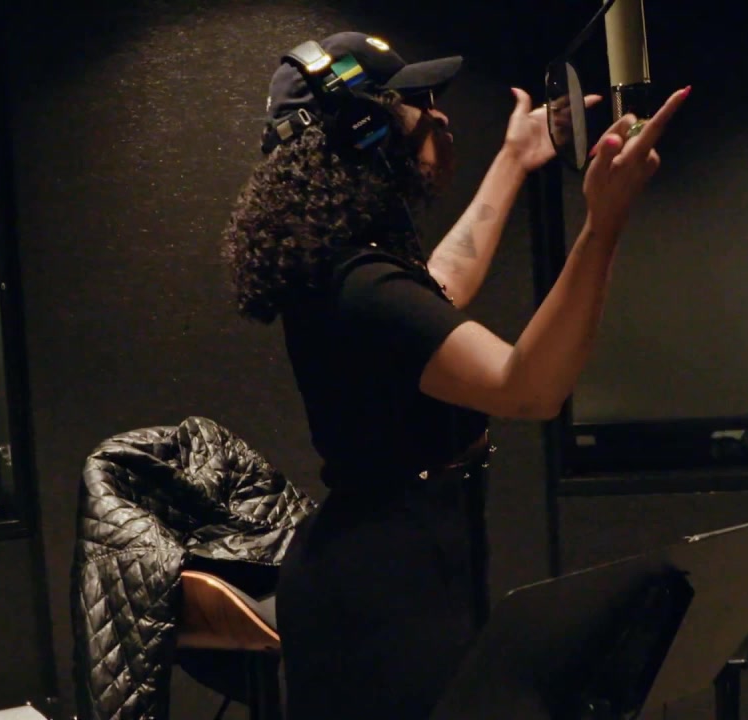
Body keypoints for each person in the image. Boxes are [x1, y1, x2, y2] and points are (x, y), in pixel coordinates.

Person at [222, 30, 688, 720]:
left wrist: (514, 158)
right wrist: (603, 224)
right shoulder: (361, 289)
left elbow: (439, 285)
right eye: (417, 102)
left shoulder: (352, 270)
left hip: (388, 560)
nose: (440, 115)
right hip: (380, 596)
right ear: (364, 130)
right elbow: (528, 388)